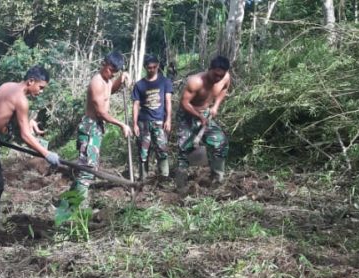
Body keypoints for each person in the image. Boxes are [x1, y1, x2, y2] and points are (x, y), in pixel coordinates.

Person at [0, 65, 59, 234]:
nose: (41, 91)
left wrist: (3, 128)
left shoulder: (7, 86)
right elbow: (25, 135)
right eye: (40, 87)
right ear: (31, 81)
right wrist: (46, 154)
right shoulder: (22, 100)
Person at [60, 52, 131, 208]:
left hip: (97, 128)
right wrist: (121, 124)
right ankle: (79, 209)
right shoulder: (96, 83)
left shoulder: (107, 81)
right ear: (104, 63)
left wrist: (122, 78)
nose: (112, 73)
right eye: (111, 70)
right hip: (90, 127)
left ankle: (67, 203)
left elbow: (110, 90)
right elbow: (100, 112)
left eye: (115, 72)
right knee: (87, 169)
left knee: (88, 167)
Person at [174, 55, 231, 189]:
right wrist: (199, 117)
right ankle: (181, 185)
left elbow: (224, 89)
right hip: (187, 115)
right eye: (215, 75)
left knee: (220, 143)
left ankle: (217, 179)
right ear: (209, 69)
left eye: (220, 76)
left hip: (205, 113)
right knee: (184, 148)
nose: (218, 78)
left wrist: (216, 106)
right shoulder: (196, 82)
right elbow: (184, 103)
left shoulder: (225, 77)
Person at [132, 54, 174, 182]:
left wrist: (168, 120)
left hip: (159, 121)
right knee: (143, 151)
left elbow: (168, 101)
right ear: (145, 68)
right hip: (143, 122)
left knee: (162, 149)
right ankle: (143, 179)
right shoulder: (139, 85)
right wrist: (134, 124)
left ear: (158, 66)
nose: (152, 70)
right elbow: (135, 104)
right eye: (149, 67)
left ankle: (164, 177)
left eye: (154, 67)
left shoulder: (165, 82)